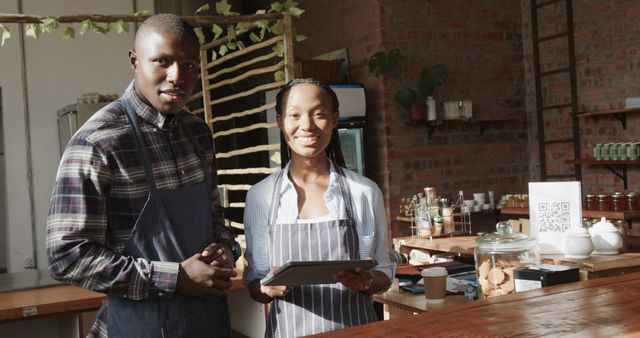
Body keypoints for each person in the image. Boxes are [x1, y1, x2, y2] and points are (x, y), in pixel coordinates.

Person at [46, 14, 241, 338]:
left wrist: (224, 248)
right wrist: (175, 277)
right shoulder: (98, 142)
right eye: (162, 62)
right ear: (135, 62)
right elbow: (66, 256)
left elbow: (213, 218)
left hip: (207, 324)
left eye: (189, 65)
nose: (177, 76)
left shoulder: (198, 134)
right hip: (137, 327)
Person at [243, 78, 395, 337]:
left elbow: (384, 273)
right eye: (294, 115)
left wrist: (367, 281)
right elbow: (255, 286)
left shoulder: (364, 192)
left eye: (319, 114)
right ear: (280, 122)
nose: (307, 126)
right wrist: (266, 288)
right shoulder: (261, 196)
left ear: (335, 120)